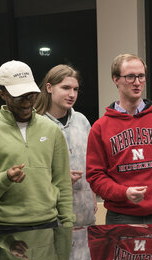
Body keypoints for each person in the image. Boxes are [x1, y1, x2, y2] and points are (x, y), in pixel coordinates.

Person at [0, 60, 75, 235]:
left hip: (49, 225)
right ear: (2, 94)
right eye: (19, 97)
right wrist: (6, 178)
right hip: (8, 228)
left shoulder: (51, 130)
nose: (27, 102)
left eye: (31, 95)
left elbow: (62, 183)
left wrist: (67, 224)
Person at [85, 53, 152, 225]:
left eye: (141, 76)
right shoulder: (100, 128)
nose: (137, 82)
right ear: (116, 79)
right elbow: (95, 177)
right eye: (130, 77)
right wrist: (124, 192)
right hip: (120, 217)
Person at [35, 64, 96, 227]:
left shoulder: (82, 121)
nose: (72, 94)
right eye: (66, 88)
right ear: (49, 87)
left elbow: (91, 162)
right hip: (50, 217)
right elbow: (30, 170)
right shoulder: (36, 124)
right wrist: (59, 179)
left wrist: (93, 197)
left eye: (75, 89)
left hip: (84, 214)